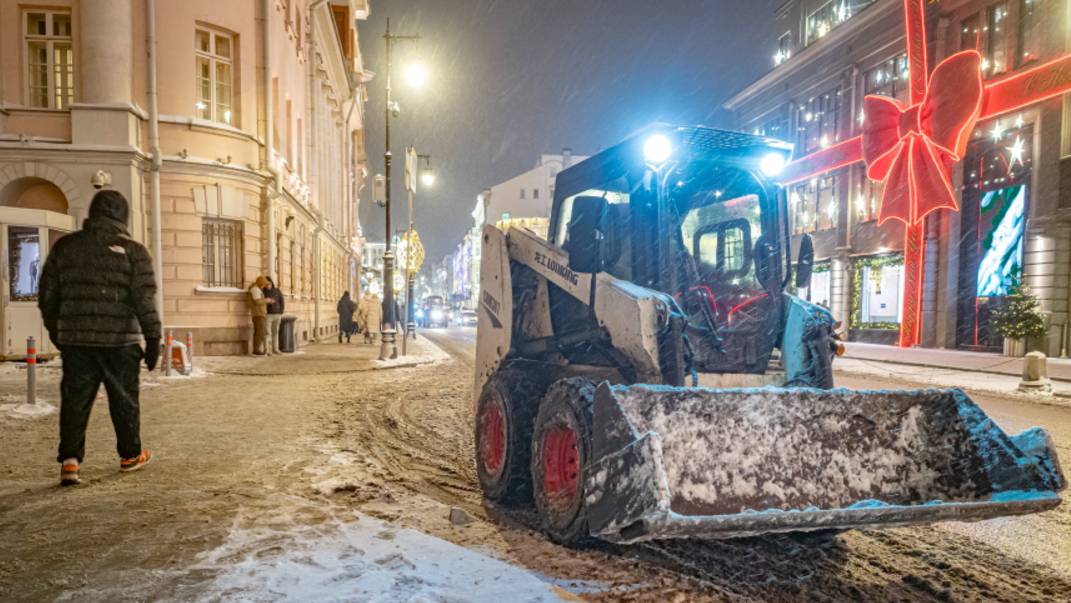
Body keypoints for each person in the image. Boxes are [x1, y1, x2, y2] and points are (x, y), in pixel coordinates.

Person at [38, 190, 161, 486]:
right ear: (123, 215)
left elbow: (47, 295)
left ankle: (70, 462)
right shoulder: (134, 251)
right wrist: (153, 339)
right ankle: (130, 455)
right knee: (124, 399)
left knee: (75, 400)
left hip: (76, 340)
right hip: (121, 341)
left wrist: (58, 331)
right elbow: (144, 300)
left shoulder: (66, 247)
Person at [248, 276, 273, 355]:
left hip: (259, 313)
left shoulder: (257, 289)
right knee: (260, 332)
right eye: (263, 284)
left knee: (259, 331)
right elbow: (257, 301)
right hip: (258, 313)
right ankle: (257, 349)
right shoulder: (255, 290)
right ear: (260, 283)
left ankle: (257, 349)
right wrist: (266, 300)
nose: (264, 286)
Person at [263, 277, 285, 355]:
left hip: (277, 314)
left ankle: (275, 349)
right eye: (266, 284)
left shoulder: (277, 290)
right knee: (268, 332)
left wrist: (281, 311)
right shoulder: (263, 292)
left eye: (269, 283)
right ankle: (267, 350)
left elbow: (282, 301)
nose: (267, 285)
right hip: (268, 314)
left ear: (271, 283)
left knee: (275, 332)